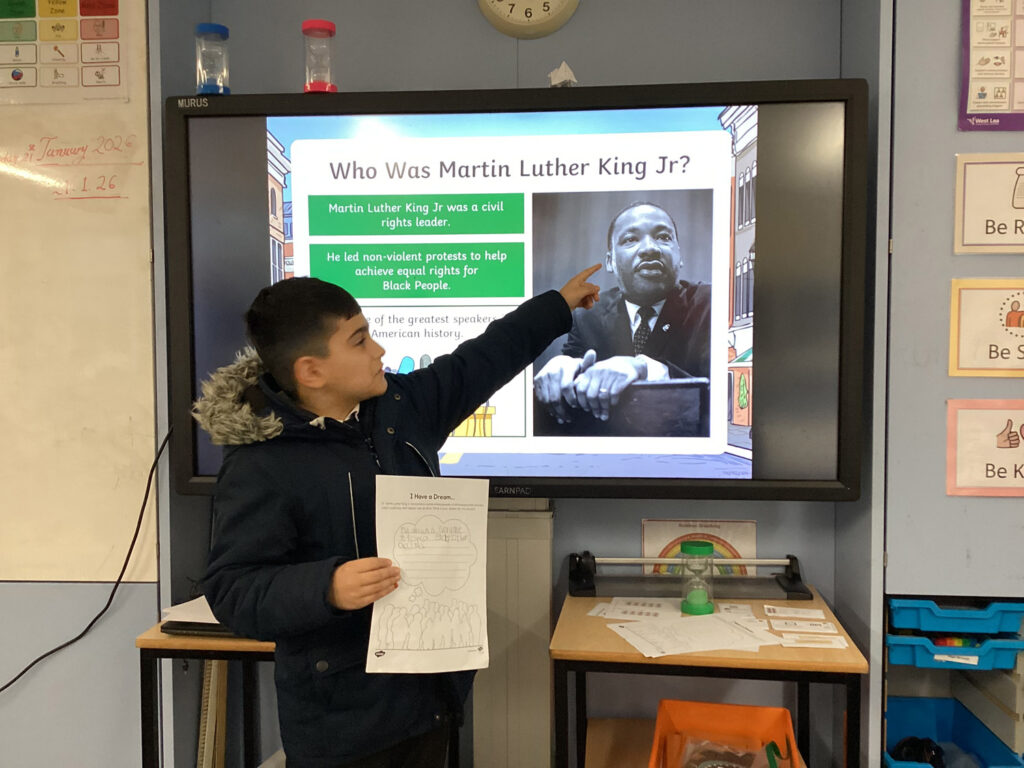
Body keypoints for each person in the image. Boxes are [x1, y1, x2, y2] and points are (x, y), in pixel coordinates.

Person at [197, 267, 600, 768]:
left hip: (427, 699)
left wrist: (555, 307)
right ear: (311, 371)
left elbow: (482, 359)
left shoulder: (402, 406)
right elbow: (233, 588)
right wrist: (328, 586)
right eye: (360, 340)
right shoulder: (261, 463)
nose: (379, 351)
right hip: (341, 722)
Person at [534, 201, 711, 427]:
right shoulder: (588, 316)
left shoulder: (709, 305)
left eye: (664, 237)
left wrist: (643, 368)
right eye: (630, 239)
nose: (650, 248)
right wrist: (565, 367)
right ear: (610, 262)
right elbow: (575, 368)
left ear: (680, 256)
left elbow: (723, 401)